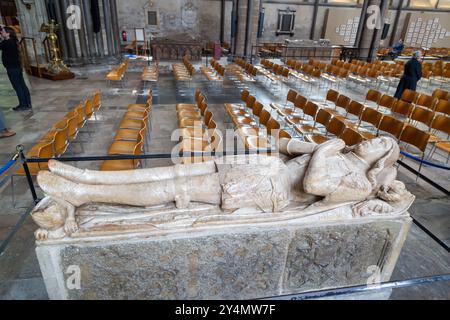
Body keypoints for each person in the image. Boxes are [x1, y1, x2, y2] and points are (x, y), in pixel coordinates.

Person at [34, 137, 402, 234]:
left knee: (175, 191)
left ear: (382, 161)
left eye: (383, 145)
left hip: (264, 192)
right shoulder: (336, 148)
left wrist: (323, 149)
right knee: (171, 172)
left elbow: (316, 183)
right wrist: (319, 146)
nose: (373, 142)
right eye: (376, 137)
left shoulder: (357, 184)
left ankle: (83, 195)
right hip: (261, 166)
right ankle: (86, 178)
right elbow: (285, 146)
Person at [0, 25, 32, 111]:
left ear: (8, 34)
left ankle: (23, 105)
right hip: (17, 67)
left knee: (17, 87)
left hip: (12, 69)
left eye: (2, 31)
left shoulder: (6, 43)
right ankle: (28, 104)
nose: (1, 32)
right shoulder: (14, 40)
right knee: (22, 85)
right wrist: (2, 27)